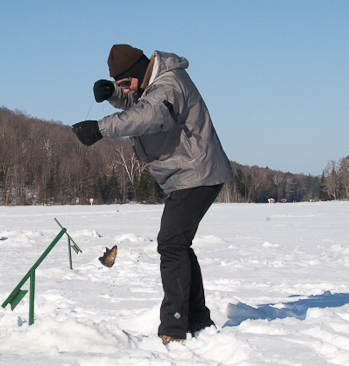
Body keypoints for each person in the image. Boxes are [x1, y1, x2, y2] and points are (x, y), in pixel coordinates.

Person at [72, 44, 233, 344]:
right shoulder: (151, 84)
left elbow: (148, 114)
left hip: (197, 174)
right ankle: (197, 318)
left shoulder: (169, 85)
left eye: (124, 82)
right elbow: (138, 101)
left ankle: (173, 328)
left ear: (136, 73)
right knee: (179, 246)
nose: (125, 89)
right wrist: (112, 94)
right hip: (186, 177)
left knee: (171, 245)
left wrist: (100, 128)